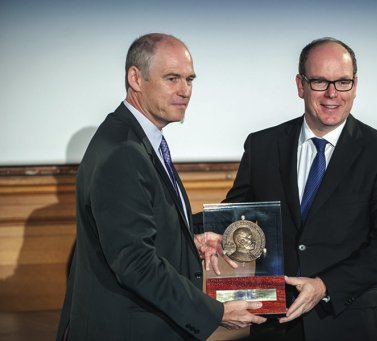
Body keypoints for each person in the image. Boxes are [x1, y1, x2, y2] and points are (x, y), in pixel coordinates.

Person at [56, 33, 266, 341]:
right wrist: (215, 312)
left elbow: (135, 231)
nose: (185, 91)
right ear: (136, 78)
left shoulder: (134, 140)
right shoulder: (123, 151)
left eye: (189, 79)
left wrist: (186, 242)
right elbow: (135, 262)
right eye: (172, 78)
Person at [223, 37, 377, 340]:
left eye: (342, 82)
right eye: (320, 82)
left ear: (355, 85)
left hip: (349, 322)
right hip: (277, 324)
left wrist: (325, 285)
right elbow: (236, 217)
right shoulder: (263, 145)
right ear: (300, 85)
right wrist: (188, 229)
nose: (332, 94)